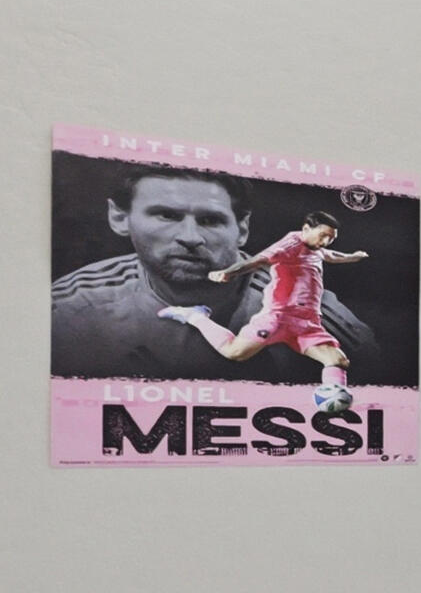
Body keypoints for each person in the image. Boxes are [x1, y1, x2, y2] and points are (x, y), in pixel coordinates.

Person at [50, 167, 376, 382]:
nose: (190, 237)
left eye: (210, 220)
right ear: (120, 218)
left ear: (242, 228)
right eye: (166, 215)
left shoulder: (334, 323)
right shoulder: (66, 308)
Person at [156, 211, 371, 415]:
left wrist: (352, 257)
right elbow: (258, 260)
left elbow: (329, 254)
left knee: (337, 360)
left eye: (330, 238)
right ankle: (196, 316)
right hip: (278, 318)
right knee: (234, 353)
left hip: (308, 322)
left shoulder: (316, 248)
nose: (325, 242)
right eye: (323, 235)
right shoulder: (290, 245)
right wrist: (230, 273)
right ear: (306, 228)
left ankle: (333, 403)